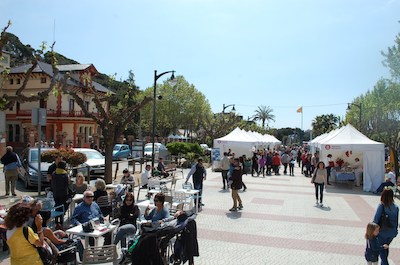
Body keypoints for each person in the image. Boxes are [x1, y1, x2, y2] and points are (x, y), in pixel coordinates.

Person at [372, 188, 399, 265]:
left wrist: (372, 231)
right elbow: (396, 221)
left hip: (382, 232)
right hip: (392, 233)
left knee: (382, 252)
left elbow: (376, 220)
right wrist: (395, 231)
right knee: (385, 248)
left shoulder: (382, 206)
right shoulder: (396, 207)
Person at [51, 161, 70, 229]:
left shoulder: (54, 173)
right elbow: (67, 184)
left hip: (56, 193)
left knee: (57, 206)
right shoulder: (65, 175)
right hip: (63, 194)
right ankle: (61, 223)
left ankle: (56, 222)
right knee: (62, 207)